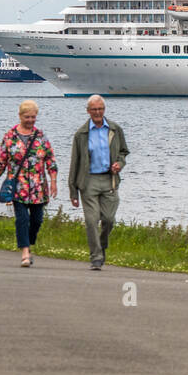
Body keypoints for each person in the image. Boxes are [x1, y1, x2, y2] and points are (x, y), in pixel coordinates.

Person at [0, 100, 58, 267]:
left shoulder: (41, 137)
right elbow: (0, 163)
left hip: (38, 188)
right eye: (27, 117)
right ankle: (25, 252)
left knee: (37, 220)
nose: (31, 120)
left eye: (33, 117)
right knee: (22, 219)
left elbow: (51, 161)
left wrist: (53, 181)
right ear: (20, 116)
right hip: (18, 187)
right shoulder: (10, 137)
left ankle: (29, 242)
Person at [68, 94, 129, 270]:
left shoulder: (115, 129)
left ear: (104, 109)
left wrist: (119, 163)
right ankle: (95, 257)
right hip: (89, 181)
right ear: (88, 111)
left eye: (100, 109)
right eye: (94, 109)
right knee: (91, 220)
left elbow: (124, 152)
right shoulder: (81, 134)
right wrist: (73, 191)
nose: (97, 112)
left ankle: (101, 246)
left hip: (109, 180)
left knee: (109, 220)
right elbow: (75, 163)